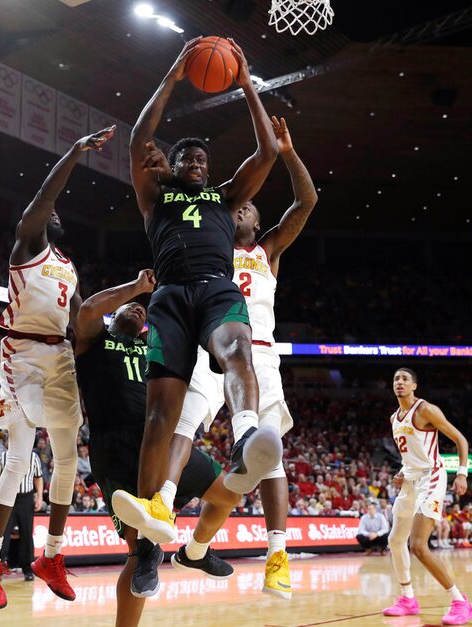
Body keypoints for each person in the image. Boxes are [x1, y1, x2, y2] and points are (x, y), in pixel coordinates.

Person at [112, 37, 282, 545]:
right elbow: (140, 134)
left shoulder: (226, 196)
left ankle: (246, 431)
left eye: (201, 156)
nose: (194, 159)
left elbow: (268, 151)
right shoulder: (154, 196)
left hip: (215, 287)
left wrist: (246, 82)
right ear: (170, 163)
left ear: (208, 168)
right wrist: (174, 75)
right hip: (168, 298)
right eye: (185, 153)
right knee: (161, 412)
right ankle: (149, 522)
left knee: (237, 348)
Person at [171, 115, 317, 598]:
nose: (242, 210)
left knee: (267, 455)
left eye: (250, 208)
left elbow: (306, 202)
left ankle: (276, 554)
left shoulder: (269, 250)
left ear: (258, 223)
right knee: (183, 425)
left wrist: (288, 152)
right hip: (210, 343)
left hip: (260, 358)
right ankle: (162, 505)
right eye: (238, 205)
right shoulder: (211, 242)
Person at [0, 127, 115, 610]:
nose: (53, 212)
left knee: (68, 459)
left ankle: (51, 557)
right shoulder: (26, 247)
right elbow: (44, 195)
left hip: (59, 356)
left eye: (57, 213)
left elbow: (82, 320)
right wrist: (75, 153)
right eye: (46, 210)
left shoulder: (69, 266)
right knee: (18, 457)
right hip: (22, 353)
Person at [73, 271, 238, 625]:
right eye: (129, 309)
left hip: (159, 441)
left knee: (229, 493)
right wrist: (136, 288)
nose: (138, 311)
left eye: (142, 311)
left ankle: (196, 550)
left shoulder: (154, 349)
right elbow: (86, 310)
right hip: (114, 447)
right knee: (139, 550)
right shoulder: (95, 341)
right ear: (113, 315)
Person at [383, 369, 472, 625]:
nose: (399, 383)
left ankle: (460, 602)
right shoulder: (394, 417)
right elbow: (411, 453)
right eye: (395, 380)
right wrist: (402, 472)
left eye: (404, 379)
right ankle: (408, 599)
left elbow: (460, 439)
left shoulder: (426, 410)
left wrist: (462, 474)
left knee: (418, 546)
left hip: (431, 478)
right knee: (395, 540)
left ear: (414, 385)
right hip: (410, 480)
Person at [0, 446, 43, 581]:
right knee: (3, 534)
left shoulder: (34, 457)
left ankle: (28, 569)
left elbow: (38, 478)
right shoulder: (4, 456)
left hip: (26, 498)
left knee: (27, 534)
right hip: (7, 496)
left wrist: (39, 497)